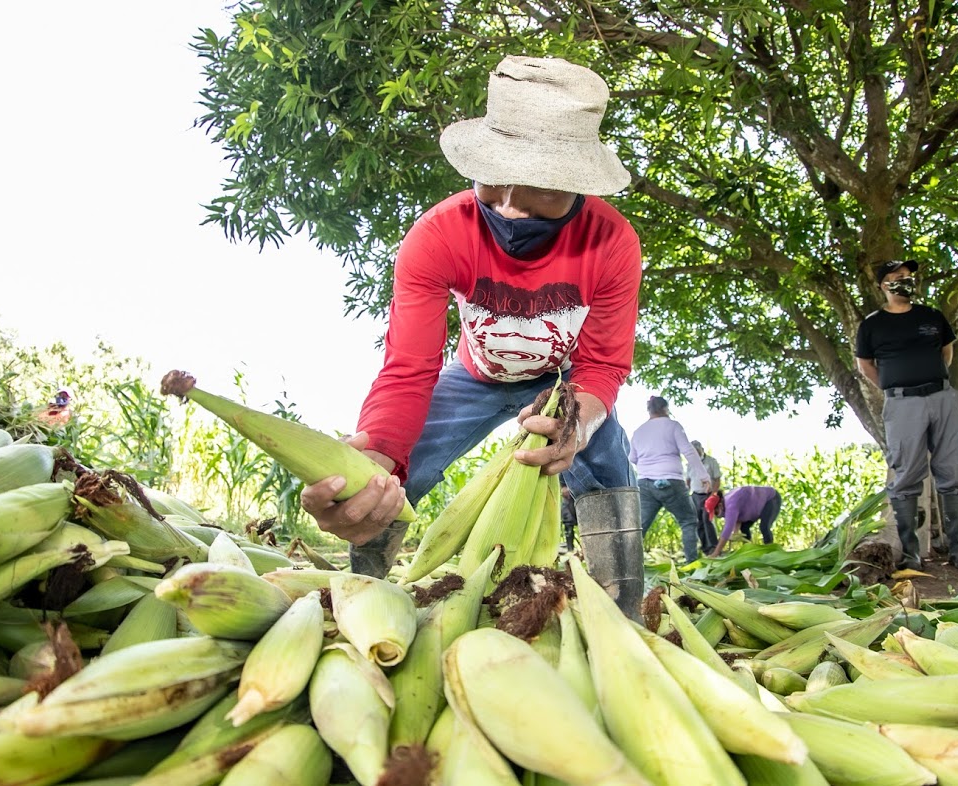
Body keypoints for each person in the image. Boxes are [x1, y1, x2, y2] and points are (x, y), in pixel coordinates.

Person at [298, 56, 646, 615]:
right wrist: (377, 459)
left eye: (540, 186)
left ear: (577, 183)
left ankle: (622, 606)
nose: (508, 204)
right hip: (475, 375)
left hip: (560, 383)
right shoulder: (438, 235)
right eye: (493, 176)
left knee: (607, 463)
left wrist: (578, 422)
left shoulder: (612, 242)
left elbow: (604, 365)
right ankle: (364, 590)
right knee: (404, 456)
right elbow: (408, 367)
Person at [855, 259, 958, 571]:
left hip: (942, 397)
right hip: (902, 404)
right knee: (906, 473)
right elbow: (865, 365)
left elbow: (946, 352)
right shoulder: (871, 325)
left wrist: (930, 380)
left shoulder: (932, 316)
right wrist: (894, 386)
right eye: (897, 276)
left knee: (953, 468)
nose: (905, 280)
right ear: (883, 285)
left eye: (908, 276)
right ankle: (911, 553)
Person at [629, 395, 709, 564]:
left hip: (645, 484)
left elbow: (633, 458)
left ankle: (629, 566)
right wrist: (703, 476)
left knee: (639, 527)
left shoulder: (639, 431)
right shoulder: (673, 426)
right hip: (672, 482)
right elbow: (688, 451)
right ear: (665, 409)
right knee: (688, 521)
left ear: (649, 410)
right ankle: (691, 564)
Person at [709, 485, 782, 554]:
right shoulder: (726, 503)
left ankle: (771, 552)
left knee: (764, 527)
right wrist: (735, 533)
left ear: (720, 505)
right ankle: (749, 551)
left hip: (771, 499)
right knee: (744, 528)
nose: (717, 516)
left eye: (715, 512)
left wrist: (716, 553)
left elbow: (727, 530)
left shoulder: (731, 504)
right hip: (755, 507)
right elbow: (737, 517)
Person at [686, 440, 722, 553]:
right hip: (695, 495)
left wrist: (713, 495)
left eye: (697, 451)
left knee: (707, 520)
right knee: (698, 521)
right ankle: (705, 547)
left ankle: (714, 546)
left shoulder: (711, 461)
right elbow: (688, 480)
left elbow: (717, 480)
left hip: (708, 495)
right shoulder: (690, 463)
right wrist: (688, 492)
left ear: (701, 450)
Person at [559, 481, 578, 553]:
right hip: (568, 498)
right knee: (568, 522)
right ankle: (570, 549)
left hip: (580, 493)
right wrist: (564, 487)